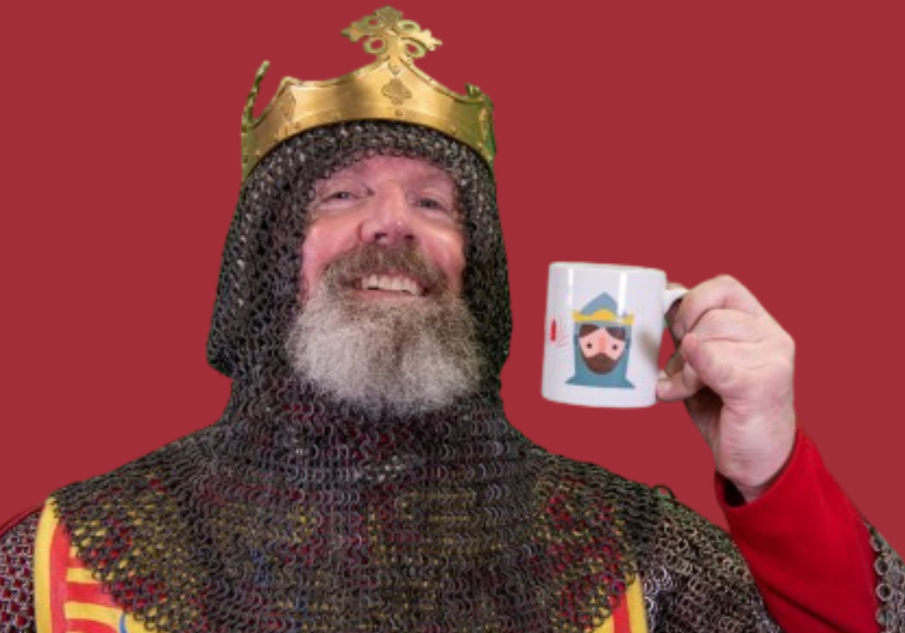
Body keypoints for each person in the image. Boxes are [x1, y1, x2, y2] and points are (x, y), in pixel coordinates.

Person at [1, 7, 902, 633]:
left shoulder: (632, 553)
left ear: (479, 268)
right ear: (266, 257)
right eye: (342, 193)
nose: (390, 223)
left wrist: (771, 469)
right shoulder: (70, 557)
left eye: (435, 204)